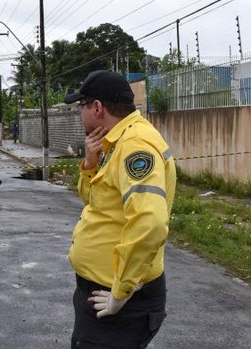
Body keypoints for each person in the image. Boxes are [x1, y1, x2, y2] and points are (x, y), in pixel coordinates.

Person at [64, 70, 176, 349]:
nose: (81, 115)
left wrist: (121, 293)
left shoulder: (134, 145)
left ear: (98, 108)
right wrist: (90, 164)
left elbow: (149, 223)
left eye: (82, 107)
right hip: (99, 292)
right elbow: (95, 202)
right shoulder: (114, 143)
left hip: (120, 302)